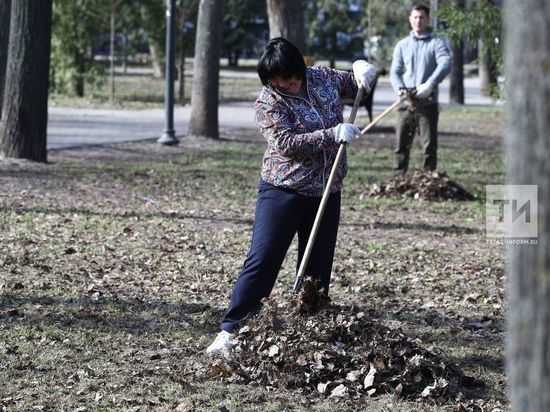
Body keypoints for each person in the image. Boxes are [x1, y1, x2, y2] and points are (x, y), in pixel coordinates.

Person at [206, 37, 377, 354]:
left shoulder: (321, 77)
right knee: (264, 258)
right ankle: (231, 330)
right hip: (284, 189)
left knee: (317, 265)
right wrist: (332, 134)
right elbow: (287, 144)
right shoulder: (268, 103)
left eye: (290, 76)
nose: (286, 83)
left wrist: (363, 70)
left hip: (327, 189)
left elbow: (357, 88)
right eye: (278, 79)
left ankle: (310, 326)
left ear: (301, 67)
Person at [390, 3, 451, 174]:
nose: (418, 21)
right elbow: (394, 71)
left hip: (427, 100)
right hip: (405, 101)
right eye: (415, 17)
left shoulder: (437, 42)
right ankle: (399, 178)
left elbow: (446, 63)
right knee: (401, 144)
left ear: (428, 19)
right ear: (410, 19)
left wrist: (431, 83)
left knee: (429, 145)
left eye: (422, 17)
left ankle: (428, 179)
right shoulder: (402, 45)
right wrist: (399, 88)